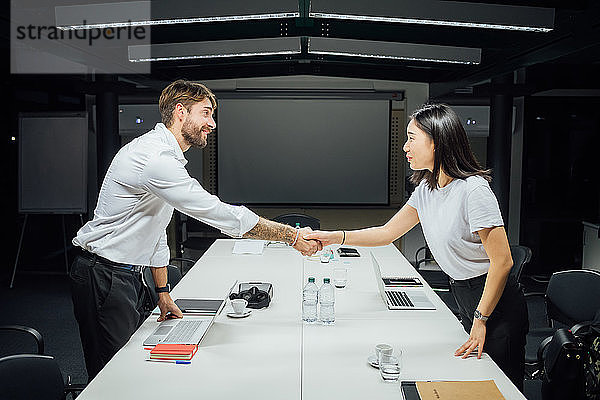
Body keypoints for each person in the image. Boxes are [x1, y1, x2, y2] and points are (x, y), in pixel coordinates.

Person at [70, 79, 321, 381]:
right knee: (112, 376)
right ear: (180, 112)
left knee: (132, 364)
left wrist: (162, 292)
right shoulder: (155, 158)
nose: (211, 124)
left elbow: (156, 233)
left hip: (122, 274)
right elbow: (218, 213)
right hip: (104, 275)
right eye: (205, 113)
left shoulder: (166, 156)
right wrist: (290, 236)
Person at [305, 103, 528, 391]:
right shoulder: (427, 189)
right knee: (474, 378)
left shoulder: (474, 191)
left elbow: (503, 262)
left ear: (438, 141)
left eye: (412, 138)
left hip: (494, 299)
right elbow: (386, 233)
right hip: (463, 291)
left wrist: (481, 318)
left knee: (501, 386)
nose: (405, 147)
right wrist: (334, 237)